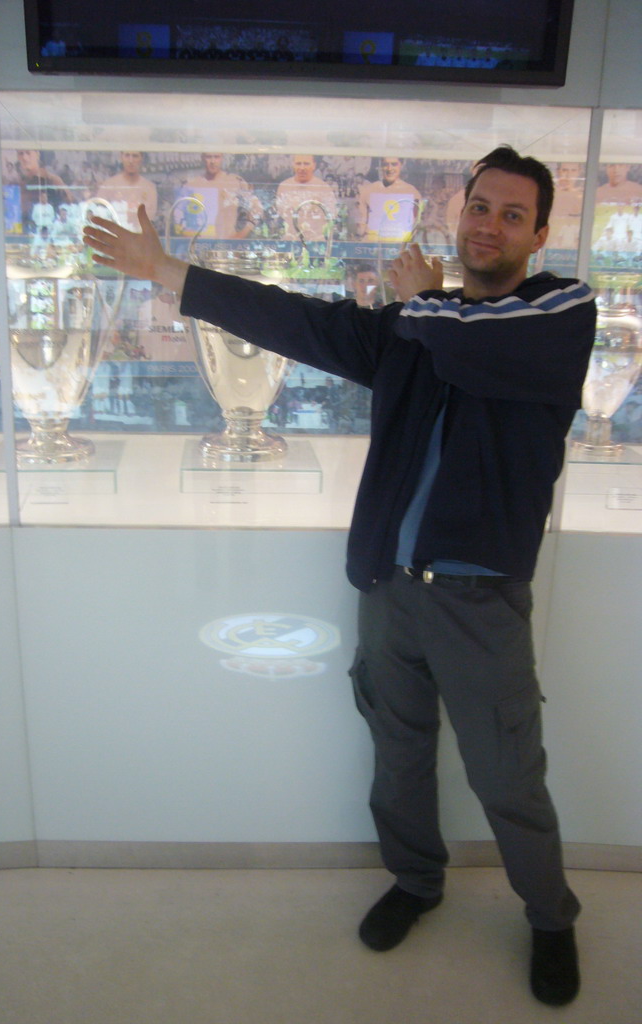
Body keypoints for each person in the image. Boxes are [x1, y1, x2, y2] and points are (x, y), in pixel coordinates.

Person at [83, 145, 597, 1008]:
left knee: (508, 776)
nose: (491, 225)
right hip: (391, 590)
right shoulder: (415, 321)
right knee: (397, 756)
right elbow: (298, 324)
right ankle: (417, 882)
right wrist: (167, 270)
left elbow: (475, 346)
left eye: (513, 215)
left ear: (540, 232)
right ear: (459, 213)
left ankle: (549, 917)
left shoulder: (556, 311)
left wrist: (420, 300)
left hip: (479, 603)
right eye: (481, 206)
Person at [177, 152, 261, 239]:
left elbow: (257, 209)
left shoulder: (234, 182)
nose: (212, 161)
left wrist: (243, 233)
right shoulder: (192, 184)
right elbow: (178, 216)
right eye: (209, 157)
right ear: (202, 158)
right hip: (199, 245)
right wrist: (191, 240)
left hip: (228, 245)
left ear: (222, 158)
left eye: (216, 157)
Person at [355, 156, 422, 242]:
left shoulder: (412, 192)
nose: (389, 169)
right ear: (381, 166)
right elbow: (361, 223)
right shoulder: (368, 190)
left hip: (399, 246)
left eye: (394, 164)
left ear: (402, 165)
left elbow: (415, 224)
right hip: (373, 245)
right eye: (385, 164)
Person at [275, 154, 337, 241]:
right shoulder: (284, 186)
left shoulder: (323, 187)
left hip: (316, 241)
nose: (302, 168)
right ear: (293, 165)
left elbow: (331, 215)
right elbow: (281, 214)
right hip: (291, 239)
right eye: (298, 163)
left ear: (314, 165)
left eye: (306, 164)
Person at [96, 150, 158, 230]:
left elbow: (150, 218)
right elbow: (99, 214)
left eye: (135, 156)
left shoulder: (149, 187)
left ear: (141, 158)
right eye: (127, 155)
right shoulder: (108, 185)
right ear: (121, 157)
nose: (131, 161)